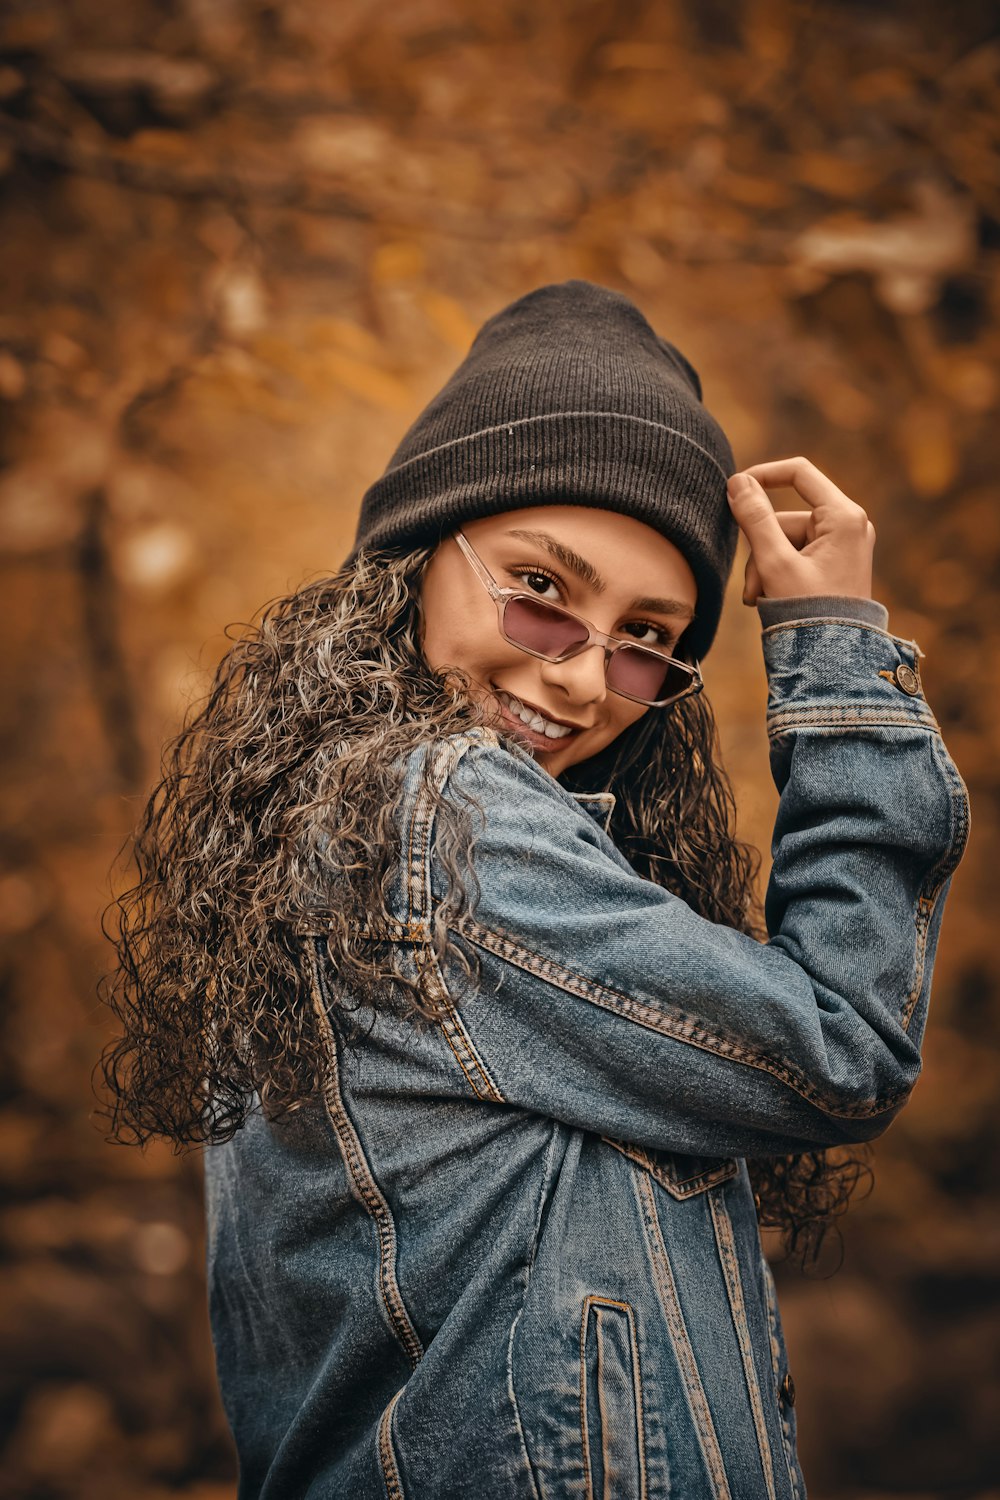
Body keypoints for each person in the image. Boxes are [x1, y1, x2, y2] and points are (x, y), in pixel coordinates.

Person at [101, 281, 970, 1499]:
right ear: (414, 560)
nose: (574, 679)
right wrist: (834, 646)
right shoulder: (440, 814)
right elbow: (844, 1044)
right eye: (540, 590)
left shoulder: (331, 823)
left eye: (644, 640)